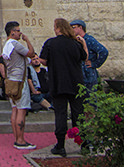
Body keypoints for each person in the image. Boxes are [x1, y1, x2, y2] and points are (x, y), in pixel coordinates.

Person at [36, 18, 89, 157]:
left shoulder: (51, 43)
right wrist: (83, 43)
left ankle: (60, 145)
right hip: (76, 83)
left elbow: (44, 61)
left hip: (58, 83)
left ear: (59, 28)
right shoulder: (75, 43)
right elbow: (84, 57)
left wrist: (37, 60)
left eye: (55, 26)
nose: (54, 29)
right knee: (79, 114)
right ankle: (84, 144)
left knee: (60, 114)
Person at [2, 20, 38, 150]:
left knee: (14, 109)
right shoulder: (15, 44)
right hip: (19, 81)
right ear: (12, 32)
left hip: (11, 80)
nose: (19, 33)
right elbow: (31, 53)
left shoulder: (6, 45)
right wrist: (27, 40)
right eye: (17, 30)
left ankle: (16, 138)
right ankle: (20, 140)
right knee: (21, 110)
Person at [70, 19, 108, 92]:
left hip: (88, 73)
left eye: (73, 27)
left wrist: (95, 64)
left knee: (90, 98)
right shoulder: (74, 41)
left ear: (80, 27)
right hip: (78, 73)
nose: (71, 30)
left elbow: (103, 51)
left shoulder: (89, 40)